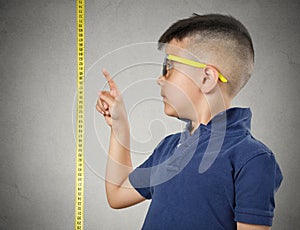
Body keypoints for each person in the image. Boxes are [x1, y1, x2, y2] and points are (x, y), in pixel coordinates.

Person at [96, 13, 283, 230]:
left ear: (206, 78)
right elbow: (117, 193)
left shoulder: (252, 159)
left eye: (169, 67)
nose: (160, 78)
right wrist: (119, 126)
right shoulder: (169, 147)